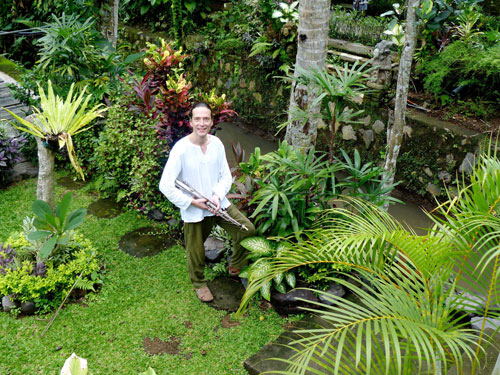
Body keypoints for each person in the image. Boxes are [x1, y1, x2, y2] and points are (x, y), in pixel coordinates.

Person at [159, 102, 256, 302]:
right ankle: (199, 283)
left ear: (211, 121)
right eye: (198, 119)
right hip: (194, 210)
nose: (202, 123)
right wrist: (192, 202)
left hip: (218, 204)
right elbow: (165, 185)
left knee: (246, 230)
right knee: (195, 250)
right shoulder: (181, 149)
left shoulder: (216, 144)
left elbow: (225, 176)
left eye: (206, 119)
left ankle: (236, 264)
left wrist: (216, 196)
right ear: (190, 122)